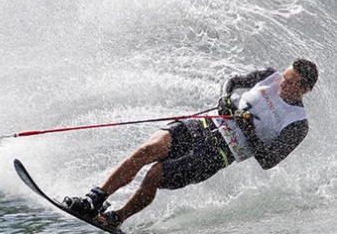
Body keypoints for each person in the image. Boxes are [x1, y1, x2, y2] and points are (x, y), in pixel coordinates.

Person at [62, 58, 318, 229]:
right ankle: (93, 199)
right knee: (147, 150)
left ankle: (115, 218)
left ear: (304, 90)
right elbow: (232, 82)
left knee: (155, 174)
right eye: (285, 77)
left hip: (219, 153)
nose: (282, 83)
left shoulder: (297, 123)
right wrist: (225, 98)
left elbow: (269, 161)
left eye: (290, 82)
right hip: (204, 125)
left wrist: (250, 132)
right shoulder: (270, 77)